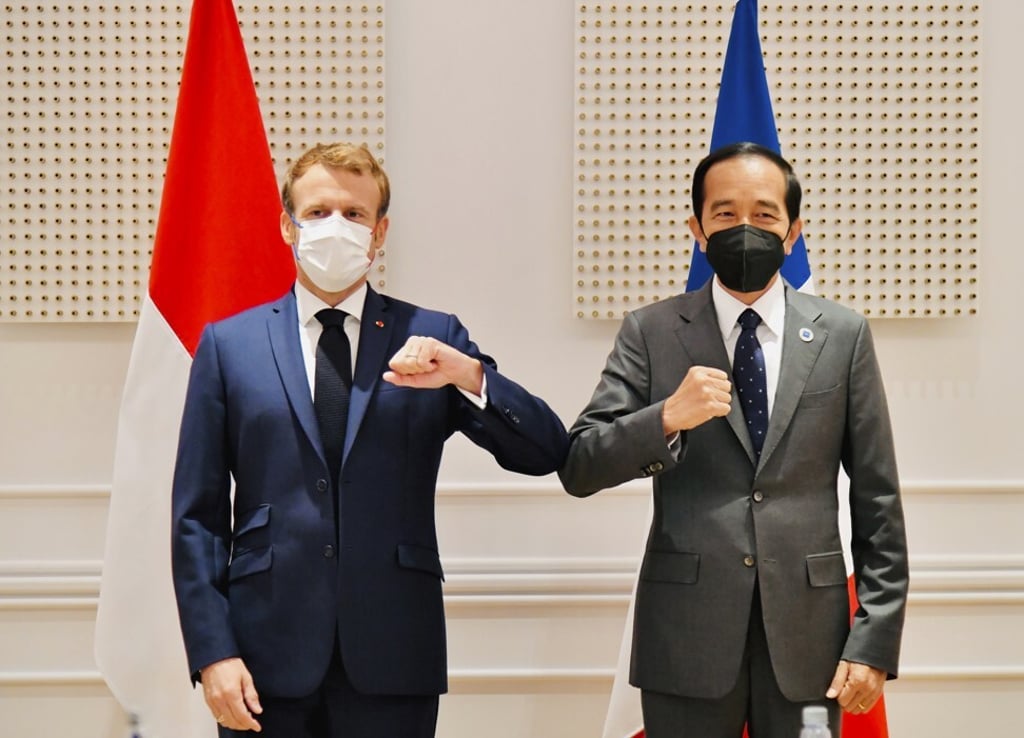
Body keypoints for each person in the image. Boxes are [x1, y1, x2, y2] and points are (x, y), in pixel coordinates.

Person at [171, 142, 569, 737]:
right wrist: (212, 652)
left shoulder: (434, 336)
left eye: (355, 215)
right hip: (262, 659)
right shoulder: (230, 346)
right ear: (288, 226)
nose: (337, 226)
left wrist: (468, 374)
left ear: (380, 233)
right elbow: (197, 517)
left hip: (393, 654)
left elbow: (545, 453)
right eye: (318, 211)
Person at [559, 142, 908, 738]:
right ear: (696, 228)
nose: (745, 229)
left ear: (793, 232)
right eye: (724, 214)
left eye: (765, 215)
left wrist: (873, 641)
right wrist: (666, 417)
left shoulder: (843, 335)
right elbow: (580, 464)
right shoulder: (651, 331)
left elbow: (877, 499)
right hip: (685, 639)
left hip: (810, 642)